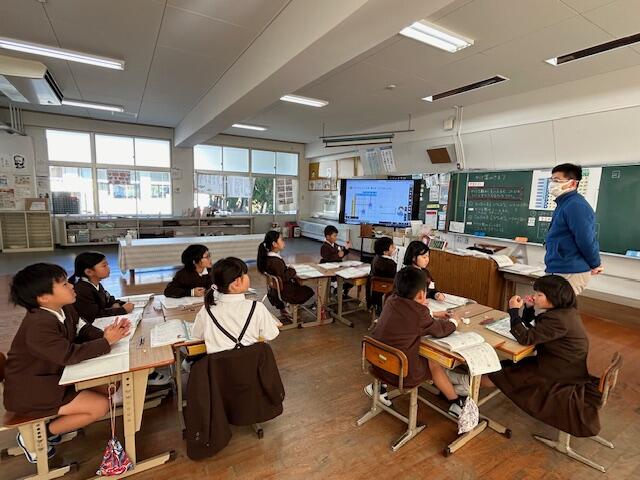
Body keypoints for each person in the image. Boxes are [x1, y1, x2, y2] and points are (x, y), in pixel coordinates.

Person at [4, 263, 130, 464]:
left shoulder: (65, 308)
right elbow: (67, 355)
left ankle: (54, 425)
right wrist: (106, 342)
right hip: (32, 390)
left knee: (110, 384)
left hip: (54, 377)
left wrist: (107, 335)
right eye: (64, 284)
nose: (71, 285)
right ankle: (39, 435)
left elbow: (82, 329)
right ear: (43, 298)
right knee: (100, 406)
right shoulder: (38, 324)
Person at [488, 275, 602, 437]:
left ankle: (468, 387)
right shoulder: (566, 312)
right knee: (509, 366)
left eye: (539, 294)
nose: (534, 297)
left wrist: (513, 311)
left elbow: (526, 338)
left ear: (553, 298)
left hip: (559, 373)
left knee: (503, 371)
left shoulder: (557, 319)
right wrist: (528, 308)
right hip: (565, 365)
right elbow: (537, 331)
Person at [368, 267, 467, 417]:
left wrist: (430, 312)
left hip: (377, 364)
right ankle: (456, 401)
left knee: (416, 351)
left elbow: (408, 316)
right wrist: (454, 321)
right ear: (421, 294)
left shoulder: (390, 300)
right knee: (433, 361)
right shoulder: (419, 313)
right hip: (402, 373)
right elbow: (440, 330)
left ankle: (380, 387)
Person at [191, 257, 280, 353]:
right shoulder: (256, 307)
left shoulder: (206, 310)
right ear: (237, 282)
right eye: (245, 274)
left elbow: (197, 336)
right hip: (251, 361)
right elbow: (271, 334)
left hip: (219, 362)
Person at [544, 163, 603, 294]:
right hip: (560, 267)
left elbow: (586, 239)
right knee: (551, 305)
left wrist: (595, 264)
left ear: (572, 183)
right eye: (551, 180)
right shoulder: (564, 203)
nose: (552, 184)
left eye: (557, 180)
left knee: (558, 306)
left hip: (570, 269)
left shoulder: (576, 205)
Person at [257, 230, 315, 320]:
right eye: (281, 240)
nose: (284, 242)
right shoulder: (275, 261)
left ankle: (286, 309)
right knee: (308, 290)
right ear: (274, 244)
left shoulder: (269, 258)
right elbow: (284, 277)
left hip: (275, 291)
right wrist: (292, 270)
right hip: (286, 292)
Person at [71, 251, 133, 323]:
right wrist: (123, 310)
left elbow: (107, 299)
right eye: (104, 266)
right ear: (89, 272)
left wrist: (120, 304)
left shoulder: (96, 284)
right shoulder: (82, 290)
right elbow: (95, 314)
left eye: (107, 264)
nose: (108, 268)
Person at [320, 225, 352, 298]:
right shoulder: (324, 247)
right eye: (334, 236)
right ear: (328, 237)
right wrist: (338, 255)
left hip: (338, 267)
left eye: (336, 236)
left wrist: (346, 249)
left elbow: (341, 253)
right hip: (330, 270)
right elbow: (328, 258)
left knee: (350, 280)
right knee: (340, 280)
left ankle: (341, 292)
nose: (336, 238)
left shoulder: (336, 245)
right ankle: (336, 290)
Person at [369, 236, 397, 313]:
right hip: (385, 291)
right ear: (385, 252)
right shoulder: (390, 264)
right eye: (392, 247)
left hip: (376, 292)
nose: (395, 248)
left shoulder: (376, 258)